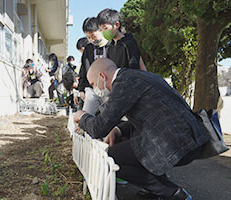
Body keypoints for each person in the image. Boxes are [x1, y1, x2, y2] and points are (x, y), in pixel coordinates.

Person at [73, 58, 211, 200]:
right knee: (129, 144)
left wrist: (82, 116)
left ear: (102, 76)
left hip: (175, 142)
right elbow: (149, 116)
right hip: (188, 136)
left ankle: (173, 194)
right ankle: (158, 192)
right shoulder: (138, 76)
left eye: (93, 84)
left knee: (111, 157)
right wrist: (117, 130)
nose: (95, 89)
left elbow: (99, 128)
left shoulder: (122, 84)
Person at [79, 17, 110, 115]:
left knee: (109, 118)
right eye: (88, 37)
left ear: (100, 30)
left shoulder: (112, 45)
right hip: (92, 89)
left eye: (93, 36)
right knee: (87, 115)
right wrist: (81, 89)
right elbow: (83, 69)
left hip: (110, 89)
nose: (92, 39)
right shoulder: (88, 49)